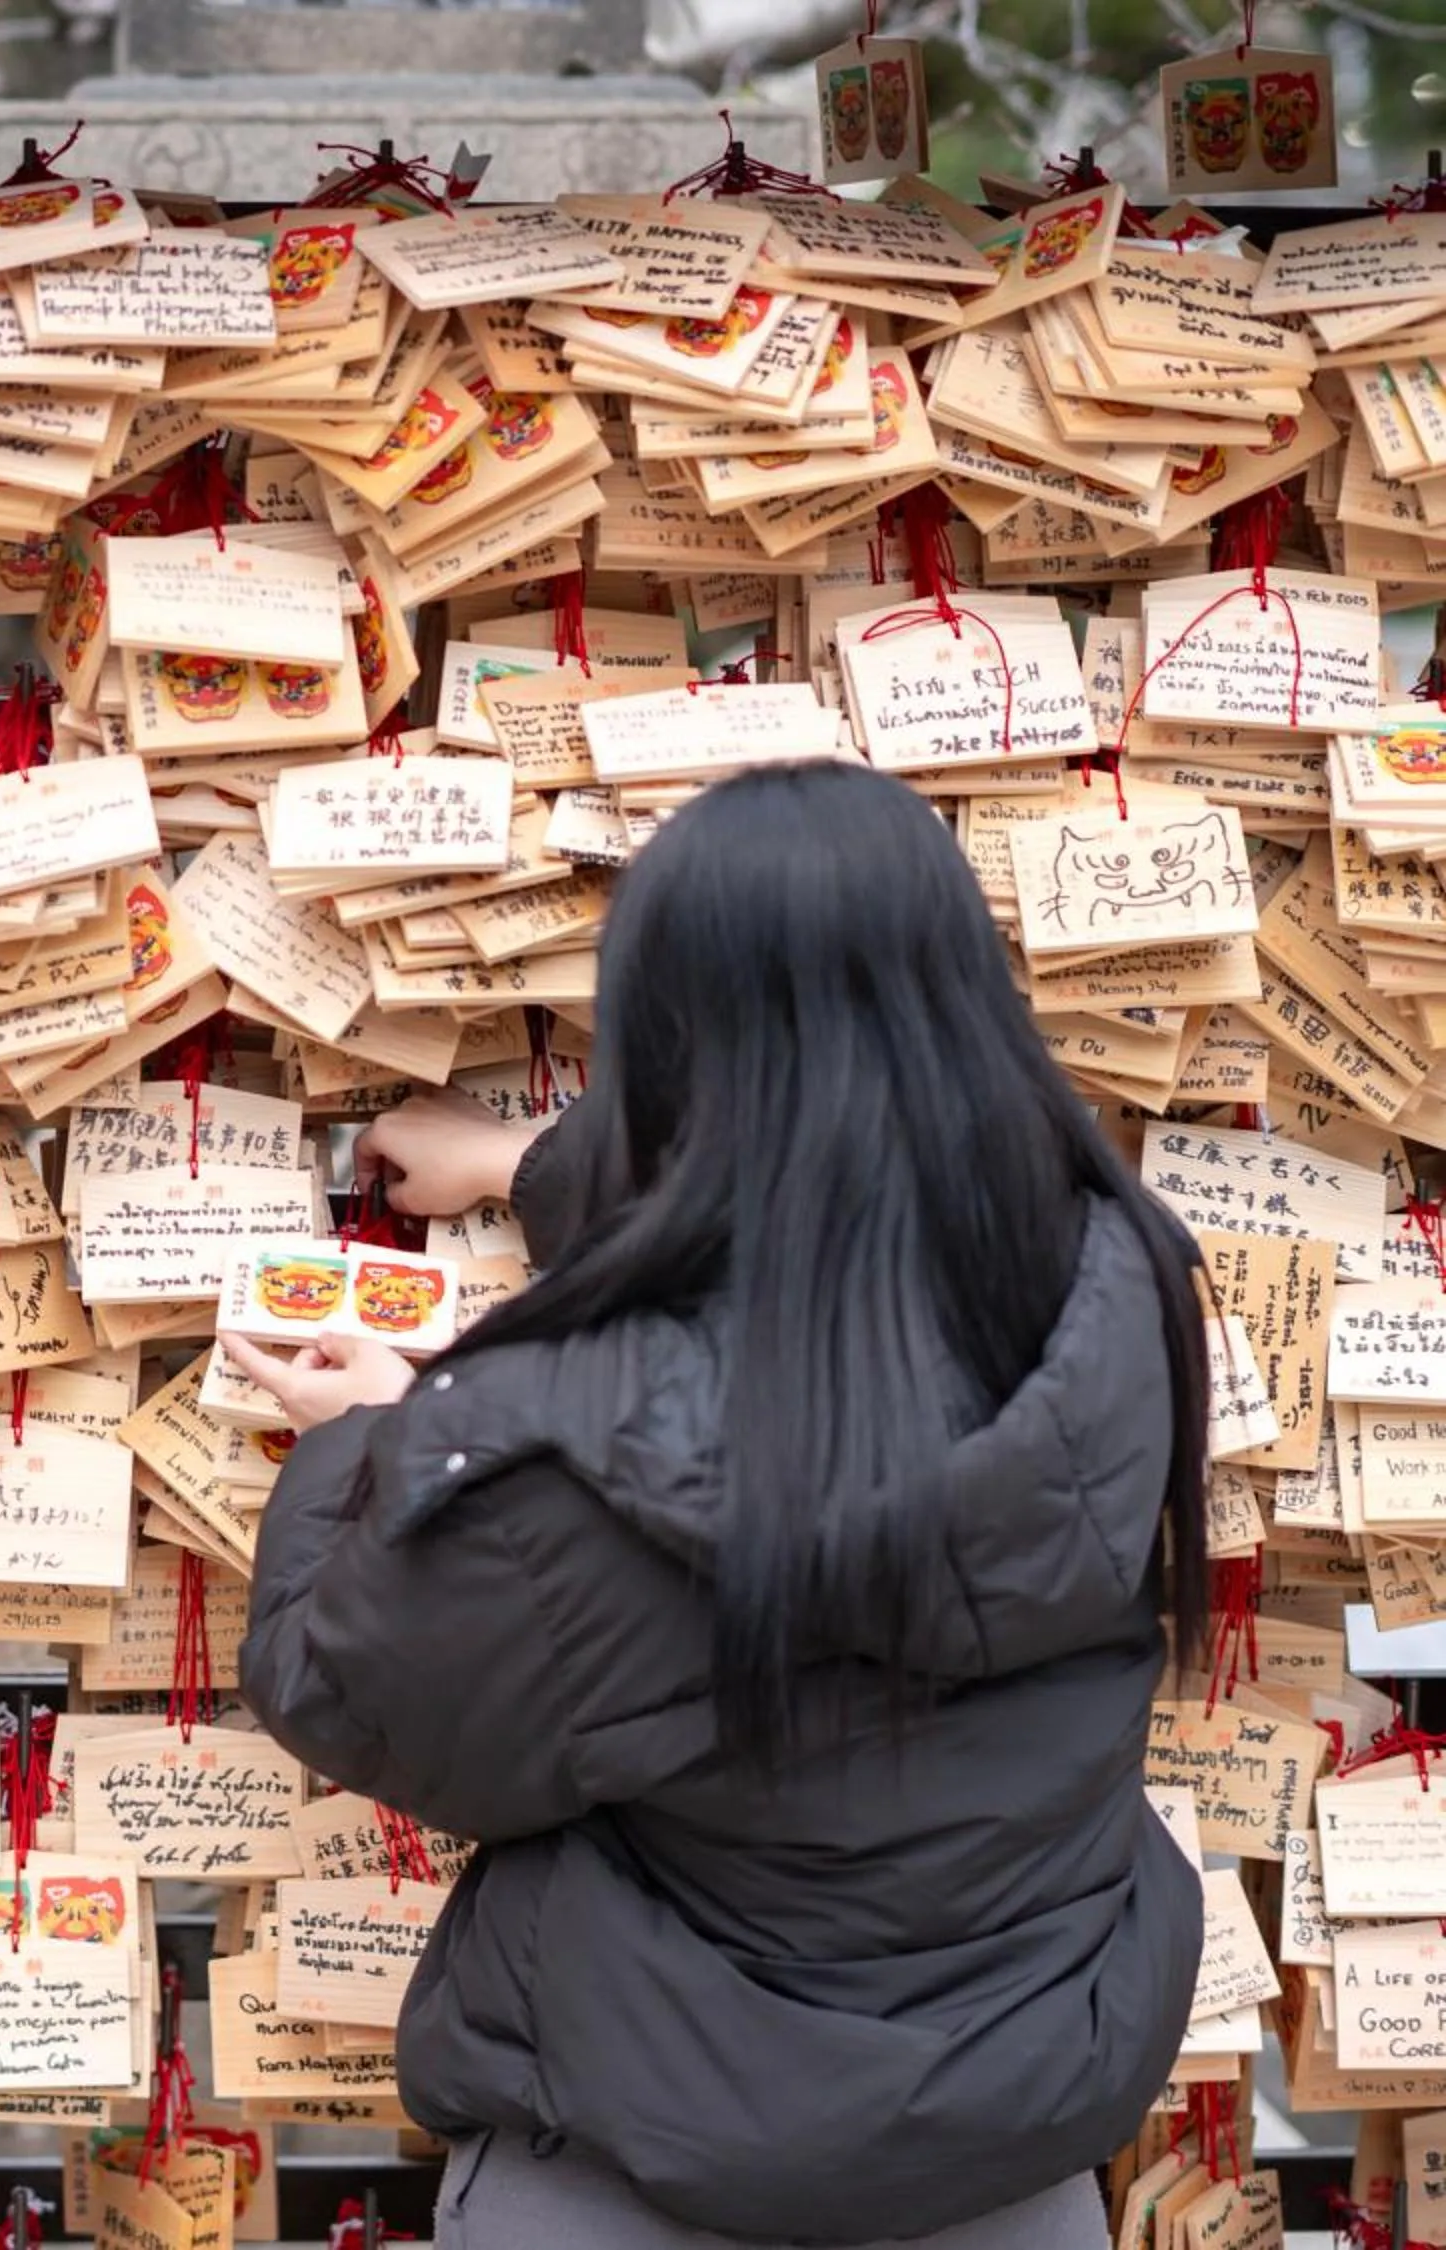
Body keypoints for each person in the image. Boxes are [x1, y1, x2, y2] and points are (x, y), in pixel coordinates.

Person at [226, 762, 1208, 2250]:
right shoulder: (1109, 1293)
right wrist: (523, 1167)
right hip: (1017, 2167)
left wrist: (368, 1439)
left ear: (671, 1046)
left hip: (656, 2168)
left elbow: (346, 1685)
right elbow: (818, 1245)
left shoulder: (591, 1460)